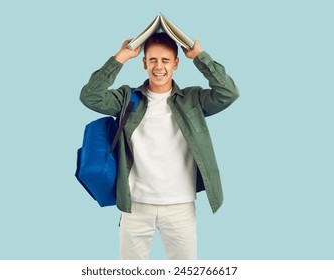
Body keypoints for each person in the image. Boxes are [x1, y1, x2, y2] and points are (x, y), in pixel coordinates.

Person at [80, 32, 239, 260]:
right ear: (144, 63)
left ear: (176, 63)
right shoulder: (128, 98)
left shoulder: (192, 99)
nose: (159, 67)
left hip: (180, 205)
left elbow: (228, 93)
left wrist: (199, 57)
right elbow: (90, 96)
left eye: (165, 60)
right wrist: (121, 57)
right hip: (135, 205)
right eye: (152, 60)